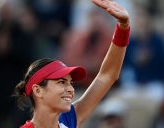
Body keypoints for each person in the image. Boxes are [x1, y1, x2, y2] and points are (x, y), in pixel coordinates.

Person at [13, 0, 131, 128]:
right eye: (62, 82)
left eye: (70, 83)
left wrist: (123, 28)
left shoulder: (68, 119)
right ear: (38, 90)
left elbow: (107, 75)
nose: (70, 89)